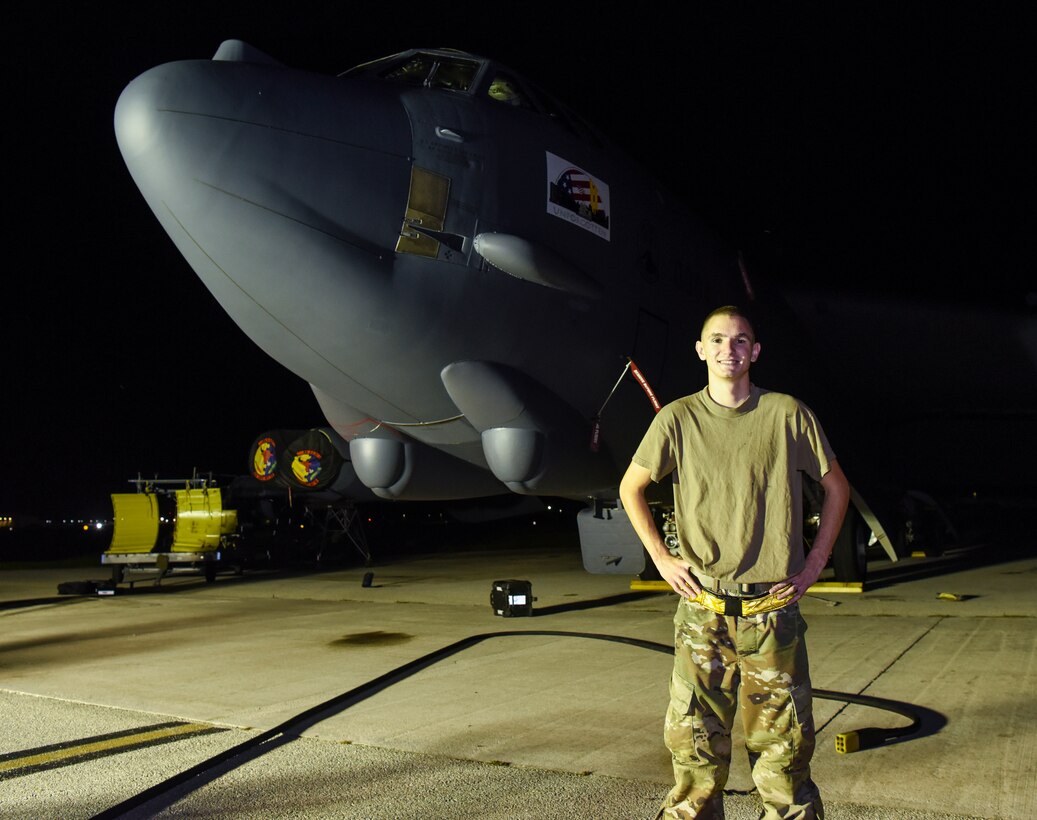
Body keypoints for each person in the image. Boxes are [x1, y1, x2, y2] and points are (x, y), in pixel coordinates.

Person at [619, 305, 849, 819]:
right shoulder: (676, 419)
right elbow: (630, 487)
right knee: (695, 749)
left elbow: (836, 488)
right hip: (702, 607)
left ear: (756, 352)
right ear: (701, 350)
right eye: (718, 340)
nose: (729, 349)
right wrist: (660, 555)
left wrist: (814, 565)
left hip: (772, 610)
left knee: (784, 752)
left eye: (741, 340)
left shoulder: (787, 414)